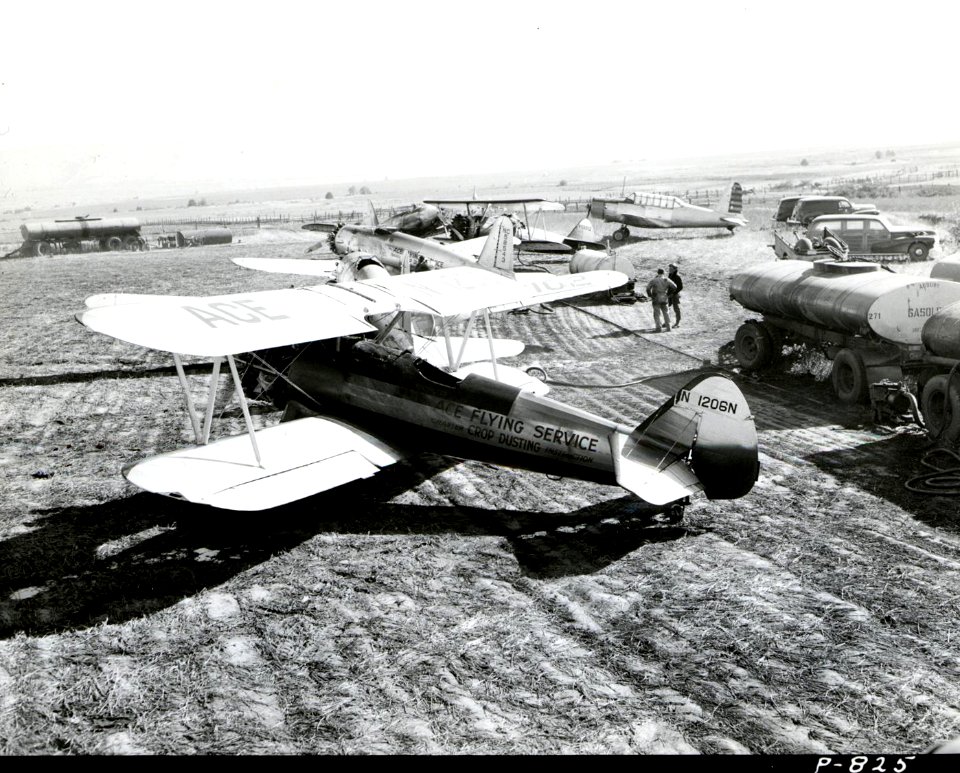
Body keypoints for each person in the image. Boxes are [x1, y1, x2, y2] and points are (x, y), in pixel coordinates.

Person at [645, 268, 677, 332]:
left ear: (657, 273)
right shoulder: (667, 280)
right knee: (666, 313)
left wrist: (650, 296)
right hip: (664, 297)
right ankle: (668, 327)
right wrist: (668, 294)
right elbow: (675, 287)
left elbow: (648, 288)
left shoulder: (654, 280)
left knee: (657, 313)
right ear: (663, 273)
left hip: (656, 297)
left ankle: (658, 328)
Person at [667, 263, 683, 328]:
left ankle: (677, 323)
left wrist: (673, 293)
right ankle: (667, 321)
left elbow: (680, 287)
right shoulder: (670, 275)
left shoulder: (677, 276)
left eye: (671, 269)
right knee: (667, 308)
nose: (669, 270)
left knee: (676, 309)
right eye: (669, 268)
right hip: (669, 294)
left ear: (675, 269)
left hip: (675, 295)